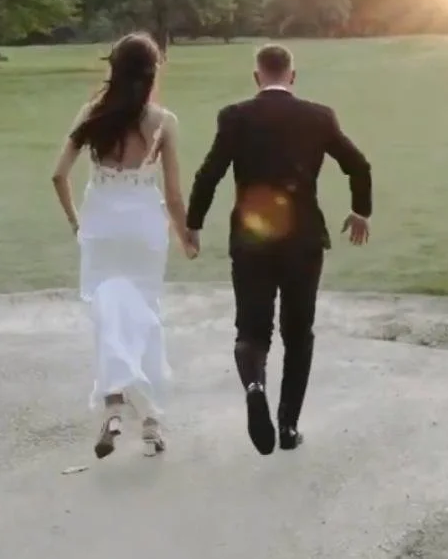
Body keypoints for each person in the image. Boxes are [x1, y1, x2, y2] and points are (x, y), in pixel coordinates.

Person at [185, 43, 372, 456]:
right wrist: (361, 212)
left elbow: (209, 174)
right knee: (298, 333)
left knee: (252, 330)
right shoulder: (319, 116)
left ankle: (255, 387)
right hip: (303, 239)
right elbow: (358, 165)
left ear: (256, 78)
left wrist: (193, 226)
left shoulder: (235, 117)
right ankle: (288, 426)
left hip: (251, 241)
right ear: (292, 75)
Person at [49, 32, 199, 459]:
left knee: (109, 314)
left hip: (100, 226)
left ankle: (113, 411)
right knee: (145, 316)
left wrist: (78, 225)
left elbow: (59, 175)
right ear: (152, 72)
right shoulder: (163, 122)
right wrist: (186, 235)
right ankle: (151, 421)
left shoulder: (91, 114)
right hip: (143, 227)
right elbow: (172, 196)